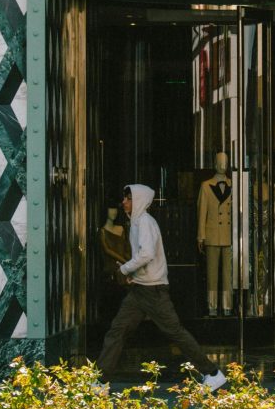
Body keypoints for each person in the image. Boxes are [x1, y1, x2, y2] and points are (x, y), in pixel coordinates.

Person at [96, 184, 227, 390]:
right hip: (142, 289)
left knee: (174, 332)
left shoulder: (144, 222)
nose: (124, 202)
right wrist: (133, 274)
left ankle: (213, 373)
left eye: (128, 198)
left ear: (139, 201)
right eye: (125, 198)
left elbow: (146, 254)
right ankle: (101, 381)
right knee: (118, 330)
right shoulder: (137, 222)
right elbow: (144, 257)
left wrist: (124, 270)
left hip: (153, 291)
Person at [198, 151, 233, 316]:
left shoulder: (234, 184)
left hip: (229, 235)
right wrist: (201, 236)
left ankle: (227, 306)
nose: (222, 165)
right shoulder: (206, 185)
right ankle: (212, 306)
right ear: (214, 163)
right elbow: (202, 212)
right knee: (212, 273)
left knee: (228, 274)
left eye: (225, 161)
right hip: (212, 235)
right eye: (220, 161)